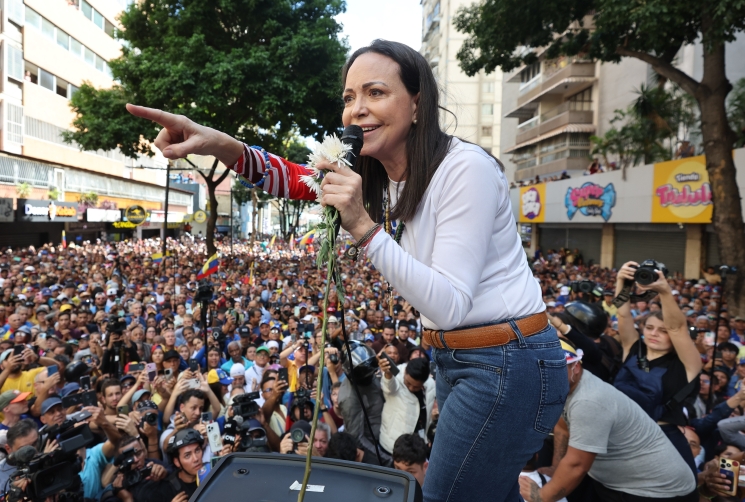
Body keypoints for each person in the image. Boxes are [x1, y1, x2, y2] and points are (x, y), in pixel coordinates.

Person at [127, 38, 566, 501]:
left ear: (418, 104)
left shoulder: (465, 169)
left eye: (375, 92)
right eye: (349, 97)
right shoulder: (384, 172)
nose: (357, 109)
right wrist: (220, 144)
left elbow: (451, 306)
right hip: (463, 360)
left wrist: (361, 224)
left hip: (506, 363)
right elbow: (298, 179)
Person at [520, 340, 697, 502]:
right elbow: (563, 427)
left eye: (556, 368)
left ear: (576, 366)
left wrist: (540, 497)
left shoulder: (588, 401)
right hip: (628, 484)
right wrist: (556, 467)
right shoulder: (566, 388)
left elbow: (577, 465)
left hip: (655, 492)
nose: (547, 375)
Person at [613, 262, 702, 474]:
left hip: (663, 442)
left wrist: (665, 292)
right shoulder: (633, 349)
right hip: (620, 435)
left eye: (662, 331)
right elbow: (623, 315)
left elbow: (677, 327)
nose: (653, 334)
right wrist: (622, 282)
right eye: (649, 328)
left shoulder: (687, 364)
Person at [377, 356, 435, 455]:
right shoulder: (395, 378)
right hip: (392, 445)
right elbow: (389, 387)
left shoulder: (430, 385)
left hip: (418, 446)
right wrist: (388, 374)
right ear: (405, 372)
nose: (411, 388)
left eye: (416, 387)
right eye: (408, 383)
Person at [131, 429, 205, 502]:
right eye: (187, 455)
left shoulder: (210, 470)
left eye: (197, 450)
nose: (196, 459)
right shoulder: (166, 490)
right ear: (177, 462)